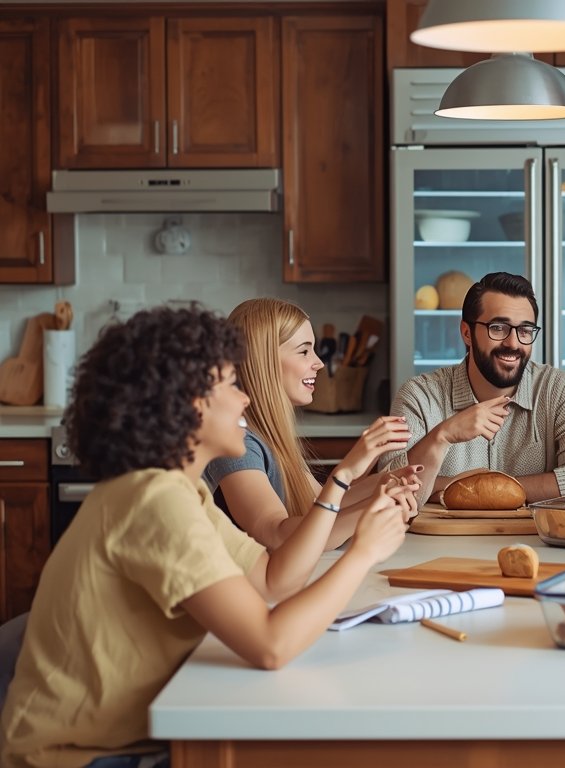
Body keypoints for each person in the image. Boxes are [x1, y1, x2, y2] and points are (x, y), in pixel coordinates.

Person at [0, 307, 413, 768]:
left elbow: (274, 580)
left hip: (129, 741)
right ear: (191, 403)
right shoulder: (154, 500)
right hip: (80, 758)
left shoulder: (183, 489)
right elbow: (270, 646)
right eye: (231, 385)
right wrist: (363, 553)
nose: (244, 400)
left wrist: (356, 505)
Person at [204, 298, 420, 550]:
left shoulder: (270, 438)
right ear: (265, 361)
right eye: (304, 351)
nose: (318, 362)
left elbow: (317, 503)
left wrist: (384, 485)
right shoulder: (238, 446)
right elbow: (277, 534)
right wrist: (353, 479)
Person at [380, 272, 565, 504]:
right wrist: (441, 436)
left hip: (533, 541)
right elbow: (388, 487)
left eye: (525, 331)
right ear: (467, 333)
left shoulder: (558, 389)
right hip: (442, 541)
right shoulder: (419, 396)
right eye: (498, 328)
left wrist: (475, 492)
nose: (513, 343)